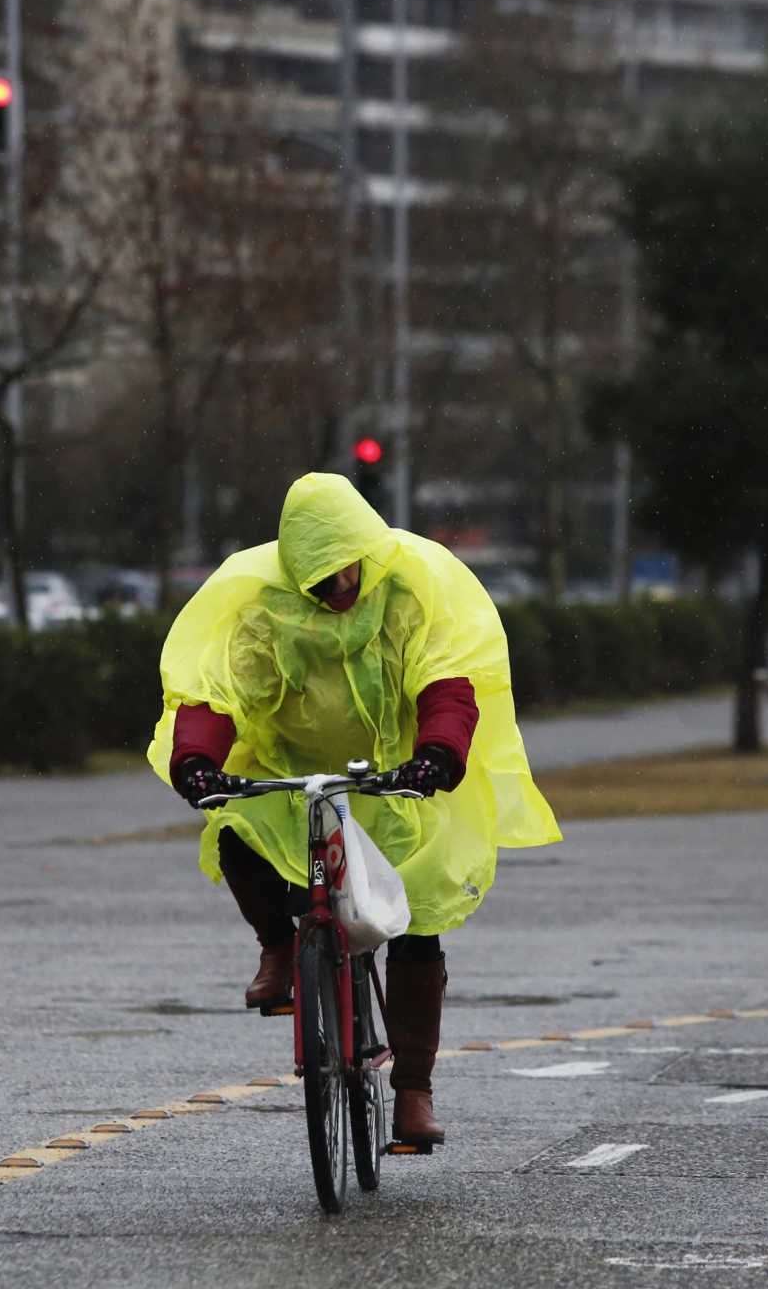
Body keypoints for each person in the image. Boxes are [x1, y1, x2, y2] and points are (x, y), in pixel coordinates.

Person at [149, 472, 562, 1145]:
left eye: (346, 577)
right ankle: (280, 951)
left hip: (393, 781)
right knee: (234, 827)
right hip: (288, 773)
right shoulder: (264, 608)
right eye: (319, 584)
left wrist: (435, 757)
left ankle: (414, 1094)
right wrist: (196, 760)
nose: (337, 594)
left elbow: (447, 683)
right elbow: (219, 693)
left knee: (417, 924)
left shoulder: (410, 597)